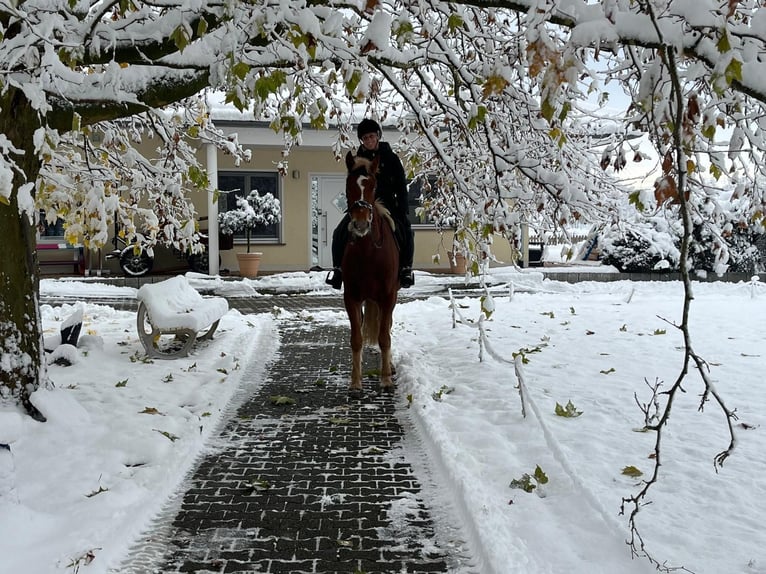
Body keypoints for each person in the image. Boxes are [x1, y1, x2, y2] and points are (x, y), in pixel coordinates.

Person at [326, 119, 415, 289]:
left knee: (407, 231)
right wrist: (353, 207)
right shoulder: (356, 161)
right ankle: (338, 270)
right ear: (362, 140)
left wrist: (402, 209)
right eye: (365, 138)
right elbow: (351, 186)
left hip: (388, 206)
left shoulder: (391, 158)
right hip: (362, 207)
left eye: (372, 136)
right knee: (339, 232)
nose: (369, 140)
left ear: (378, 136)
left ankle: (405, 269)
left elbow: (401, 186)